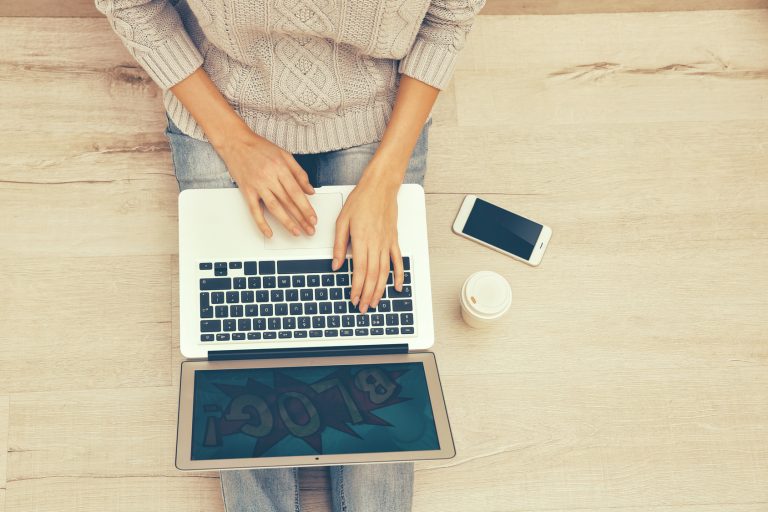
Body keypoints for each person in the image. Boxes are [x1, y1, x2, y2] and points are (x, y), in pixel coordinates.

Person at [97, 0, 483, 510]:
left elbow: (447, 20)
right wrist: (233, 139)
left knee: (372, 330)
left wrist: (385, 179)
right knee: (242, 339)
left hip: (374, 106)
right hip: (222, 97)